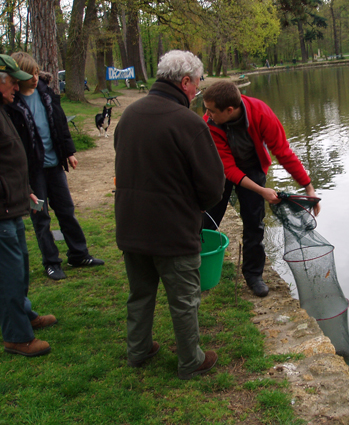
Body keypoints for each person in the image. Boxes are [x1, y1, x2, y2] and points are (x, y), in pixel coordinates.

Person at [114, 50, 225, 379]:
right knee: (184, 299)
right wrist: (199, 204)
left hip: (132, 225)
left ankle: (138, 350)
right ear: (185, 81)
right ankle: (191, 360)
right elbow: (213, 185)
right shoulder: (188, 122)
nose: (198, 93)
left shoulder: (130, 115)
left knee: (140, 292)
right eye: (197, 85)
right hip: (173, 230)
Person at [202, 80, 320, 298]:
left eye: (210, 110)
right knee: (208, 216)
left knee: (254, 224)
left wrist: (308, 186)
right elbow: (228, 169)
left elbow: (283, 152)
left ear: (229, 110)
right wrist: (262, 190)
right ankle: (194, 264)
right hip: (220, 168)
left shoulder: (261, 113)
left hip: (252, 166)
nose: (206, 115)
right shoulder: (209, 124)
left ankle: (253, 274)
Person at [6, 52, 104, 281]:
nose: (34, 77)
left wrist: (69, 152)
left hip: (54, 168)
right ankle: (51, 262)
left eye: (36, 72)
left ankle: (79, 254)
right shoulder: (11, 103)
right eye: (29, 74)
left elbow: (60, 124)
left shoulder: (46, 93)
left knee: (66, 211)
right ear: (17, 76)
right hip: (33, 173)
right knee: (41, 217)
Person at [0, 54, 57, 357]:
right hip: (2, 212)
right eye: (13, 83)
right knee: (8, 273)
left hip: (14, 204)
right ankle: (16, 336)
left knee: (20, 266)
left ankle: (25, 315)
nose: (17, 89)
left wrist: (24, 191)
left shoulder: (3, 109)